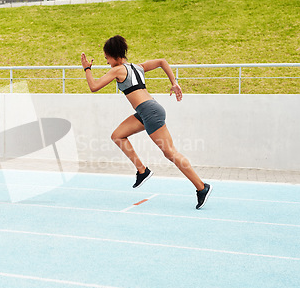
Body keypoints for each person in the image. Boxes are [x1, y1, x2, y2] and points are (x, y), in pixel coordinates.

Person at [81, 35, 212, 209]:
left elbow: (93, 87)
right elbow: (162, 62)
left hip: (149, 112)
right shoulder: (138, 67)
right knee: (118, 136)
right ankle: (142, 171)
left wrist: (87, 69)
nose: (107, 62)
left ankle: (201, 187)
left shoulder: (118, 70)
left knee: (170, 153)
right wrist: (174, 83)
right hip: (146, 111)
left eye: (106, 58)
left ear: (114, 56)